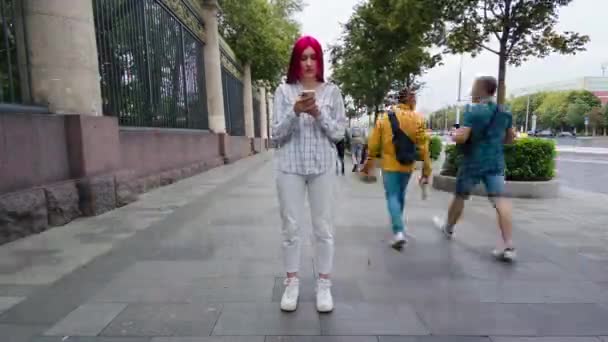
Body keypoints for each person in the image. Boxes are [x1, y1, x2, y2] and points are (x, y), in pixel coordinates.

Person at [271, 35, 347, 313]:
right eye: (303, 57)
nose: (308, 62)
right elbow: (276, 135)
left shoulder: (332, 92)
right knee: (291, 228)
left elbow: (339, 133)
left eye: (313, 56)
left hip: (322, 167)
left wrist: (317, 112)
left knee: (323, 228)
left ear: (319, 60)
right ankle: (291, 283)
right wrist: (294, 111)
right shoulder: (283, 92)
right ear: (296, 61)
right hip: (289, 166)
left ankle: (323, 285)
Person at [433, 76, 517, 261]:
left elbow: (462, 138)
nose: (472, 90)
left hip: (473, 162)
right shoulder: (505, 112)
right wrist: (493, 142)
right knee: (500, 201)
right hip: (495, 162)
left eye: (474, 86)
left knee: (460, 196)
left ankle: (448, 228)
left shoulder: (473, 111)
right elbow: (511, 138)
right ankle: (509, 244)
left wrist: (454, 134)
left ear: (482, 89)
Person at [363, 89, 431, 249]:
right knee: (400, 195)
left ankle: (398, 231)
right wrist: (426, 170)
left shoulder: (385, 117)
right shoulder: (418, 119)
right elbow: (424, 148)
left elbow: (374, 143)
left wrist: (370, 159)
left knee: (392, 195)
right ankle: (398, 224)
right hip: (407, 165)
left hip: (390, 164)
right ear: (411, 101)